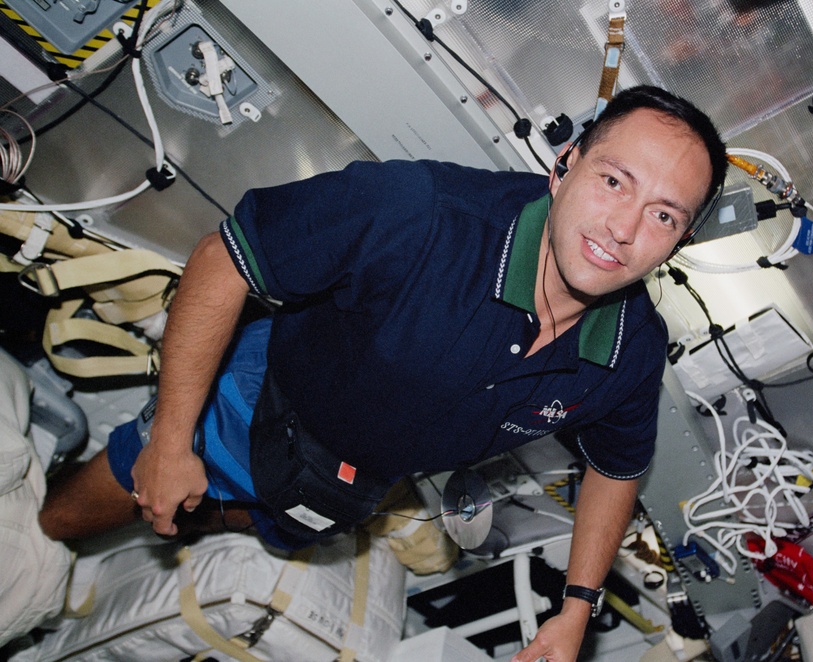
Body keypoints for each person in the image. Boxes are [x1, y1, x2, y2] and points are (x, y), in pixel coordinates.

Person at [40, 85, 727, 661]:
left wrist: (577, 607)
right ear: (564, 166)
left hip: (359, 480)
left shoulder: (631, 352)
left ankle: (214, 522)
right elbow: (229, 256)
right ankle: (44, 539)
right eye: (613, 181)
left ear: (679, 242)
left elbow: (616, 467)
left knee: (266, 523)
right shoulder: (419, 213)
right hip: (263, 402)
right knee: (104, 498)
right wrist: (170, 441)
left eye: (663, 215)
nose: (624, 228)